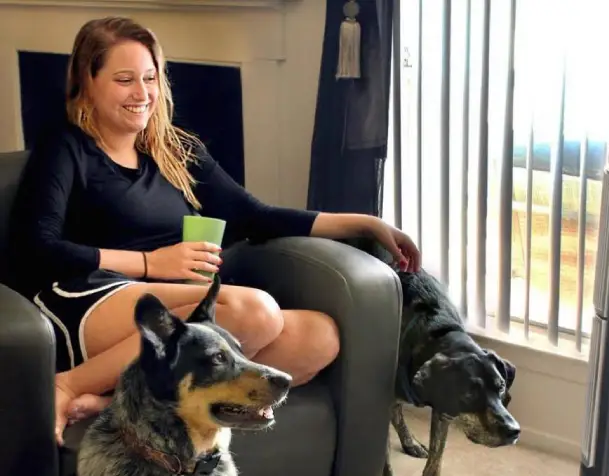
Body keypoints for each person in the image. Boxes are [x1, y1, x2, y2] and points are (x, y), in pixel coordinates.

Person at [8, 16, 421, 446]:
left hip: (173, 307)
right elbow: (36, 245)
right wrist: (152, 262)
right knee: (253, 313)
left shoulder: (175, 149)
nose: (142, 93)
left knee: (318, 337)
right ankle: (70, 385)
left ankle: (116, 402)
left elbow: (256, 215)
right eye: (124, 79)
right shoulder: (66, 147)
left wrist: (367, 223)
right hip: (91, 299)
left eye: (150, 77)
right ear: (87, 82)